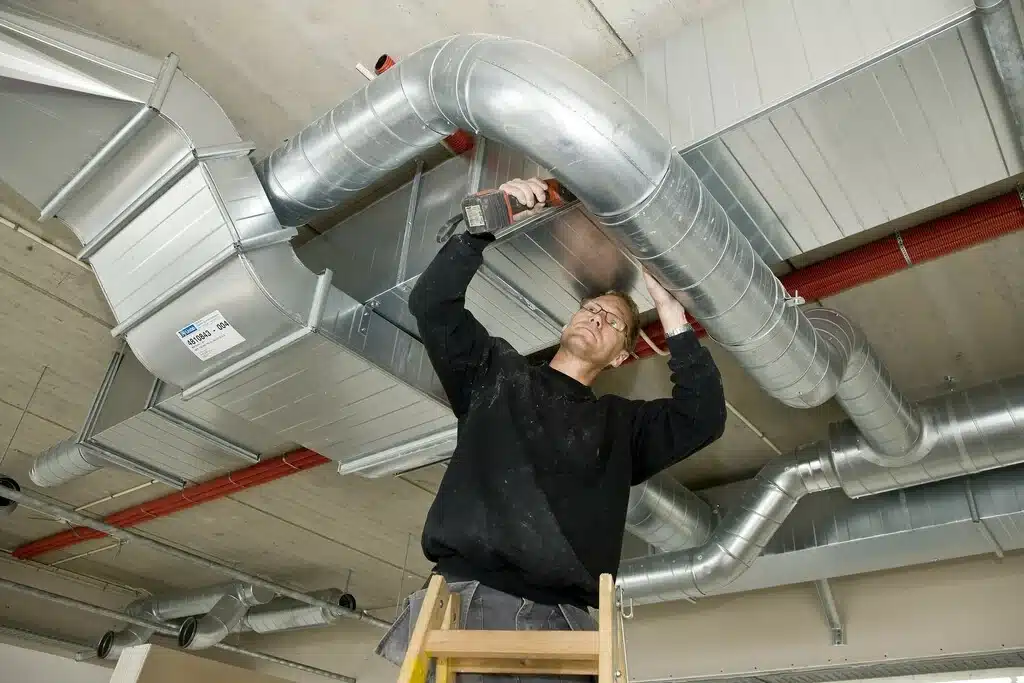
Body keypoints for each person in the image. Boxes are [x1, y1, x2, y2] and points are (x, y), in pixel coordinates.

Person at [377, 177, 726, 681]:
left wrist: (673, 317)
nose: (596, 317)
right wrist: (489, 219)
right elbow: (432, 304)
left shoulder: (621, 427)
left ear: (623, 354)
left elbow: (703, 417)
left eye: (612, 321)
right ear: (568, 322)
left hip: (560, 625)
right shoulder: (494, 374)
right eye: (590, 309)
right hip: (467, 600)